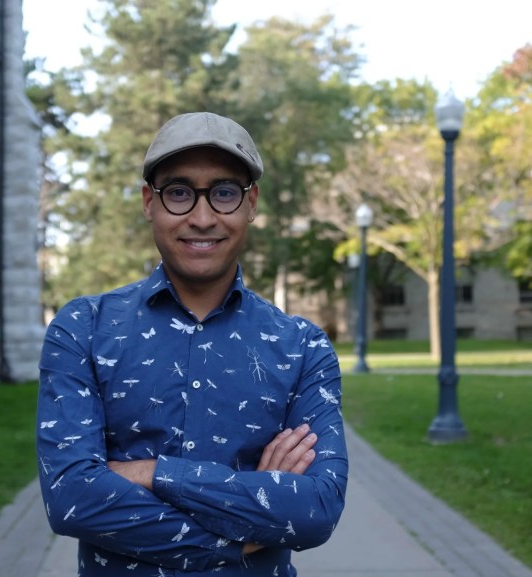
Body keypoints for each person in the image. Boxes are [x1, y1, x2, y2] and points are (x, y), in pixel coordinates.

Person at [36, 111, 348, 576]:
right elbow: (71, 498)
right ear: (149, 202)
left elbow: (316, 509)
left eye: (224, 193)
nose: (202, 218)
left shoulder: (302, 347)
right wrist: (245, 523)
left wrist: (148, 472)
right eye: (179, 193)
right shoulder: (83, 328)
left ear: (251, 204)